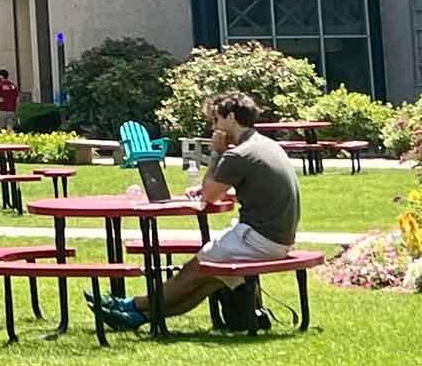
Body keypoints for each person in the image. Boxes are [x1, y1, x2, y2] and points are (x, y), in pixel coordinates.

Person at [94, 91, 299, 331]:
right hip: (279, 238)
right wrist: (213, 189)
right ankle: (138, 318)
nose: (213, 127)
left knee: (191, 271)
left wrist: (216, 153)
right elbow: (251, 189)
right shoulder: (265, 145)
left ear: (231, 117)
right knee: (205, 283)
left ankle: (130, 305)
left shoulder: (238, 154)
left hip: (259, 239)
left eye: (215, 120)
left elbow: (210, 195)